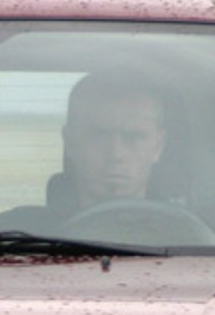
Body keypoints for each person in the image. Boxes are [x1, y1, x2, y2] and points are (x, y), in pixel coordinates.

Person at [58, 72, 169, 212]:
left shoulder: (185, 232)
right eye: (98, 135)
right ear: (70, 142)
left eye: (133, 137)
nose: (115, 154)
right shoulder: (27, 231)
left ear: (158, 146)